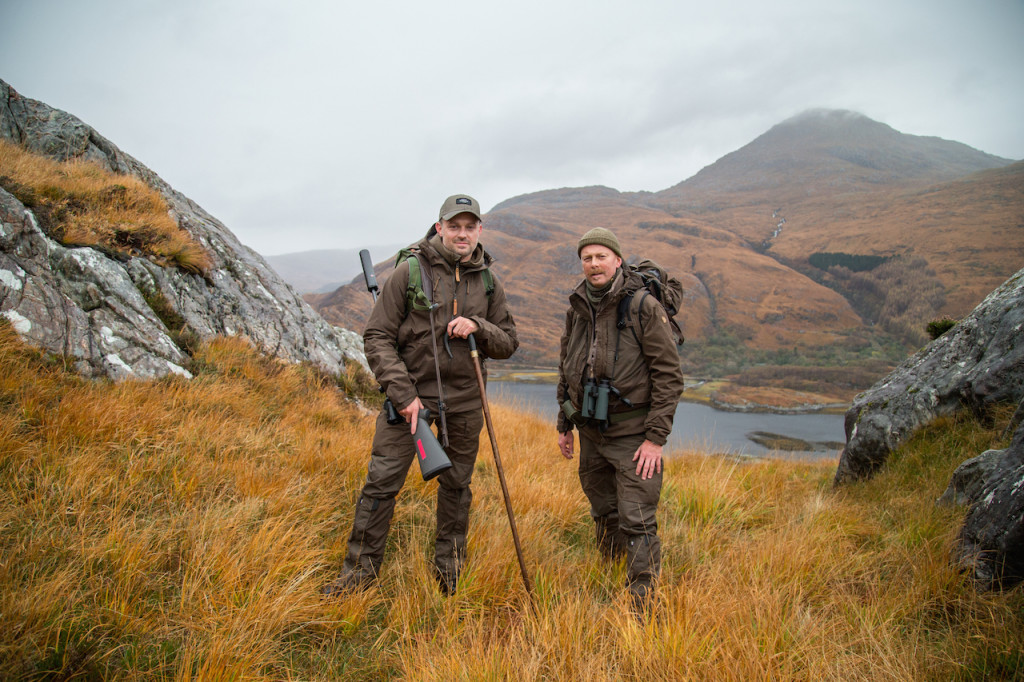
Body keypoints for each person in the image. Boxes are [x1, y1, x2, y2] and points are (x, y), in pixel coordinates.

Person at [322, 194, 519, 596]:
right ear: (440, 227)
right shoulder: (409, 272)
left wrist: (478, 325)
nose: (462, 234)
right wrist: (404, 395)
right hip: (408, 405)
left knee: (457, 490)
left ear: (479, 230)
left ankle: (449, 576)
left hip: (464, 405)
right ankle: (357, 579)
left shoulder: (488, 281)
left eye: (469, 226)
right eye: (454, 226)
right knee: (381, 486)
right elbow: (376, 337)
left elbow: (508, 342)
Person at [556, 227, 685, 615]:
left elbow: (669, 375)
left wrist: (655, 438)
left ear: (617, 259)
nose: (593, 264)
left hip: (634, 434)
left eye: (601, 256)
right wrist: (565, 423)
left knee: (637, 519)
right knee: (603, 510)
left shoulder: (643, 306)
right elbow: (566, 368)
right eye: (587, 257)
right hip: (591, 431)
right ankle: (611, 574)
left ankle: (643, 606)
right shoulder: (579, 307)